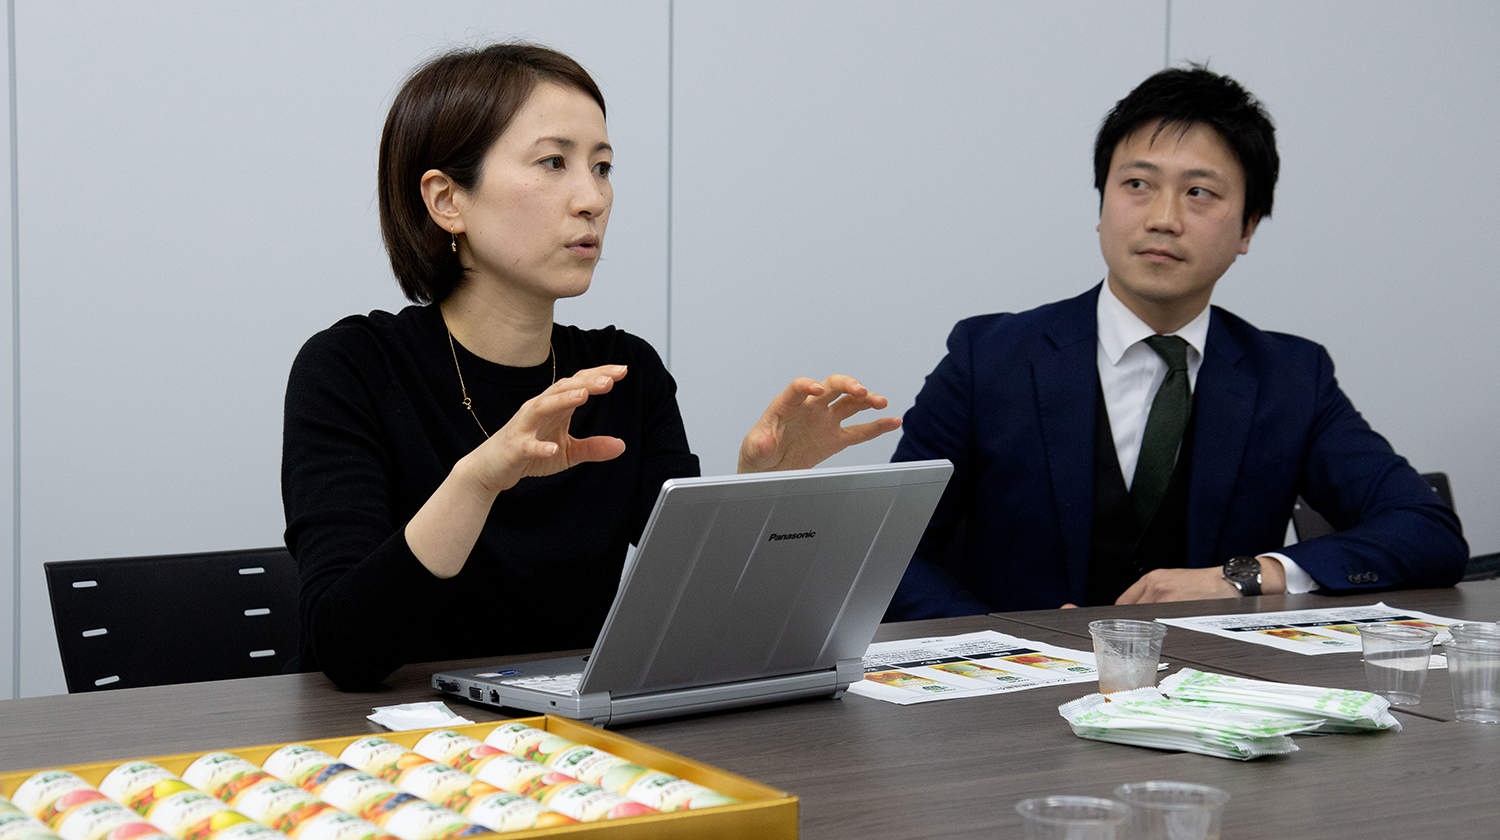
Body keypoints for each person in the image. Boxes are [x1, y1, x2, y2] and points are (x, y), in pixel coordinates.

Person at [282, 44, 900, 690]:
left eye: (601, 167)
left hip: (581, 734)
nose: (592, 199)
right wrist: (480, 480)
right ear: (447, 201)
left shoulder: (624, 373)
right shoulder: (352, 368)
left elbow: (699, 620)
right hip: (396, 738)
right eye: (553, 162)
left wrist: (761, 489)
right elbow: (344, 650)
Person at [887, 65, 1467, 618]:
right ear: (1102, 204)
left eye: (1199, 192)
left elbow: (1426, 529)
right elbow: (886, 557)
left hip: (1214, 680)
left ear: (1247, 228)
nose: (1163, 218)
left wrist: (1244, 576)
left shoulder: (1290, 377)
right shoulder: (988, 358)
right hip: (1013, 680)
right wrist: (1008, 637)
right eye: (1137, 184)